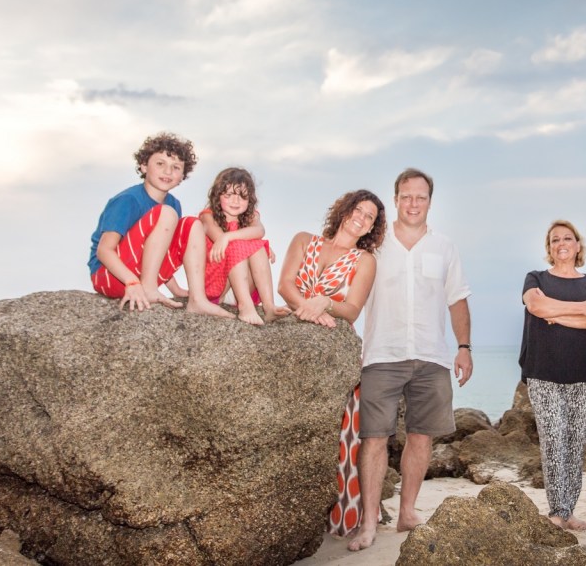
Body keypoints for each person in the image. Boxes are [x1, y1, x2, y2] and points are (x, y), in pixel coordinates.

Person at [348, 168, 473, 552]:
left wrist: (464, 347)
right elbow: (348, 292)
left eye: (419, 197)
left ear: (430, 201)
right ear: (396, 198)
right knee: (373, 439)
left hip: (432, 355)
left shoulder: (445, 246)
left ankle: (407, 510)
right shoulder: (373, 246)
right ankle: (368, 521)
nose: (412, 203)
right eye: (405, 196)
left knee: (422, 437)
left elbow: (457, 299)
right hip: (381, 354)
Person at [277, 189, 386, 537]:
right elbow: (284, 284)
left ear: (372, 227)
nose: (362, 218)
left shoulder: (364, 261)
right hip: (294, 342)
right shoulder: (303, 240)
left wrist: (324, 302)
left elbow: (352, 309)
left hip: (337, 355)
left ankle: (343, 520)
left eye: (369, 217)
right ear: (345, 210)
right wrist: (308, 309)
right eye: (359, 210)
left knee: (344, 437)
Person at [520, 220, 586, 530]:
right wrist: (578, 309)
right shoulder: (536, 278)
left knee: (575, 443)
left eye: (567, 237)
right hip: (543, 371)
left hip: (584, 374)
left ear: (578, 245)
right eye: (555, 239)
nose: (561, 243)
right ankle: (557, 511)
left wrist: (556, 313)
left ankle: (568, 512)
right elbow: (535, 306)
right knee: (553, 440)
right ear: (549, 247)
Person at [88, 132, 232, 319]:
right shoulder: (128, 200)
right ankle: (148, 287)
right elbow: (104, 251)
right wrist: (132, 283)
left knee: (192, 224)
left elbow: (159, 249)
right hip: (112, 276)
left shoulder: (173, 204)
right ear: (143, 166)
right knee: (166, 214)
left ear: (182, 176)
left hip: (141, 276)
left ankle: (198, 299)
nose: (168, 172)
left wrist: (175, 289)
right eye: (160, 164)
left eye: (176, 167)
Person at [200, 167, 287, 325]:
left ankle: (268, 307)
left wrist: (230, 236)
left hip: (243, 286)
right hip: (218, 284)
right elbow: (226, 243)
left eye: (243, 197)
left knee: (257, 245)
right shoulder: (208, 216)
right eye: (229, 195)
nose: (236, 201)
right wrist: (234, 238)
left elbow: (259, 230)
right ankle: (245, 307)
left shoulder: (252, 216)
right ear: (217, 195)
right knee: (243, 245)